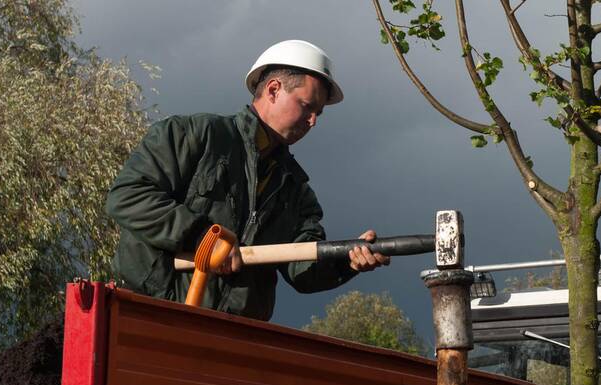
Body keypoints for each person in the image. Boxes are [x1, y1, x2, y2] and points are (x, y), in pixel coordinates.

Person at [106, 40, 389, 320]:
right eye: (306, 106)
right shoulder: (192, 136)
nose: (313, 120)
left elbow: (303, 271)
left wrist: (347, 262)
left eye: (319, 113)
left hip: (234, 338)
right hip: (149, 316)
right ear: (273, 89)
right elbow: (128, 197)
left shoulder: (296, 191)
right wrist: (202, 236)